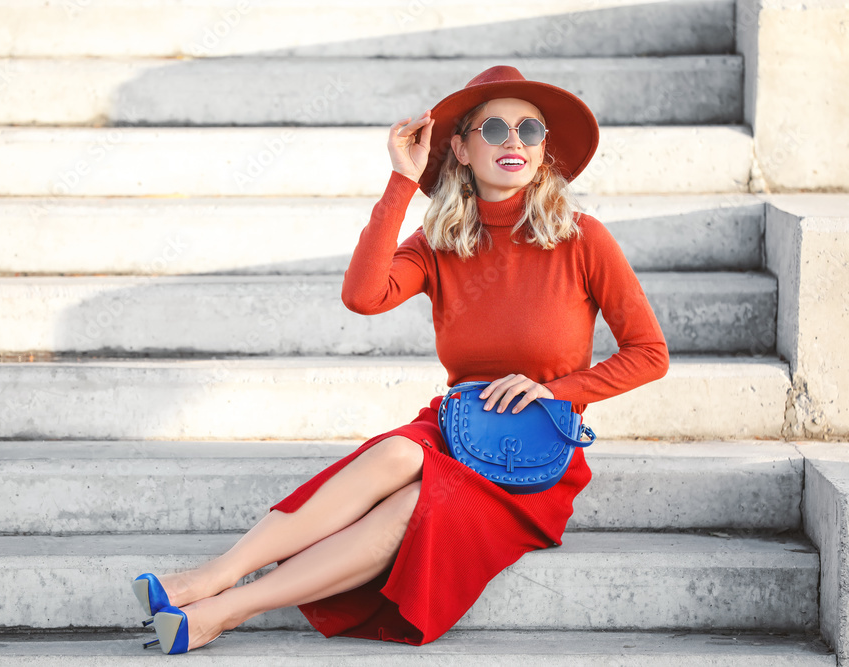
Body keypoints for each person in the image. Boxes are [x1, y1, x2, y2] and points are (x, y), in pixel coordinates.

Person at [131, 65, 670, 654]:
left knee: (416, 505)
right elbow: (363, 296)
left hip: (532, 457)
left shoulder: (582, 238)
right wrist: (401, 182)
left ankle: (223, 612)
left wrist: (557, 391)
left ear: (543, 150)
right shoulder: (440, 242)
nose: (513, 140)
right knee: (394, 452)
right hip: (454, 429)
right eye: (493, 128)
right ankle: (215, 577)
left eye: (529, 129)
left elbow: (649, 354)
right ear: (460, 149)